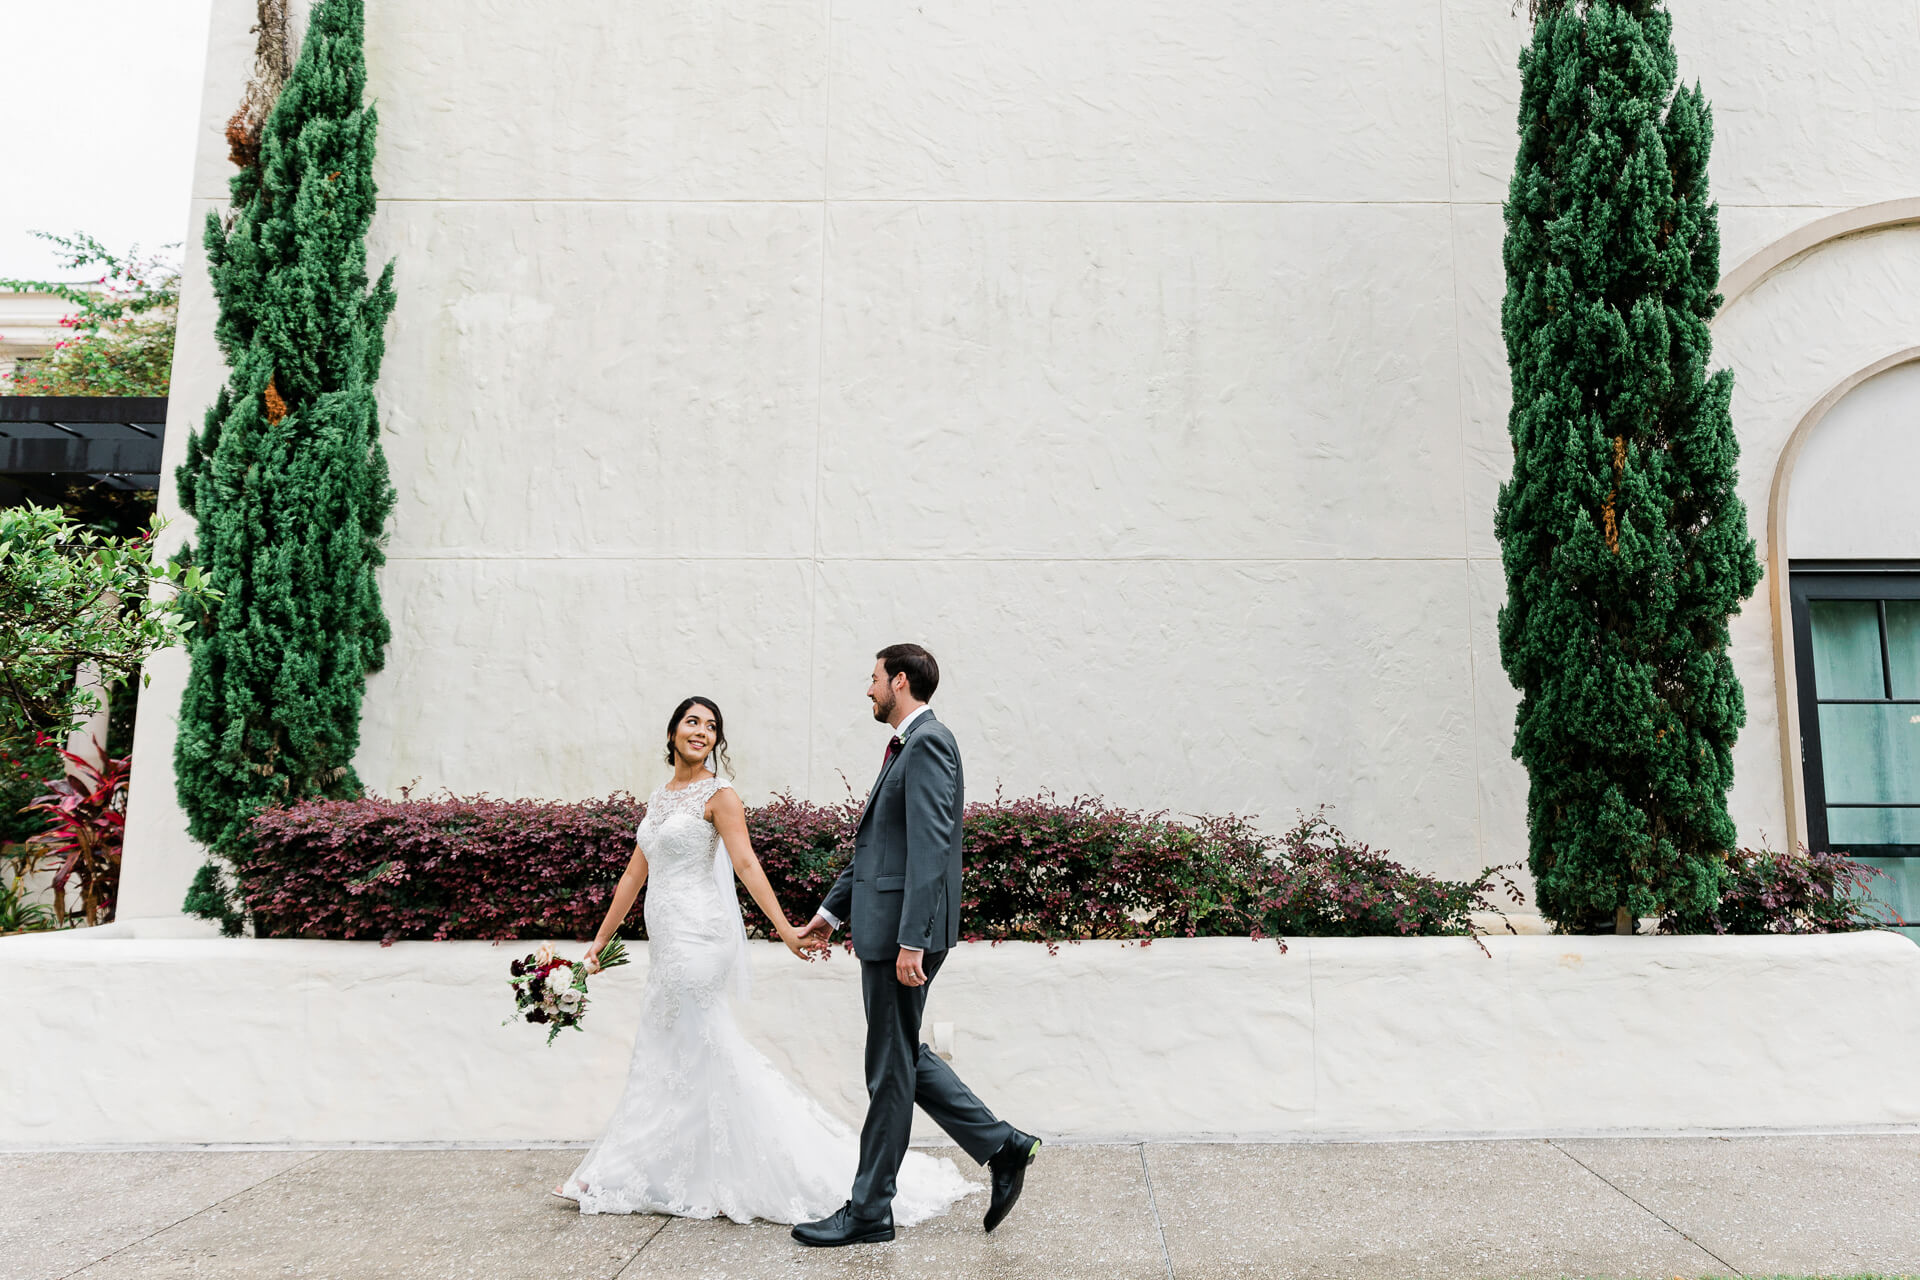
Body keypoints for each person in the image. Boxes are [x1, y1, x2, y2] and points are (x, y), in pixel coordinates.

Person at [552, 695, 977, 1225]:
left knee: (695, 1045)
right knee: (664, 1050)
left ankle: (630, 1168)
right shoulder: (659, 800)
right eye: (692, 722)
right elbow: (633, 877)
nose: (701, 732)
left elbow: (747, 864)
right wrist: (597, 944)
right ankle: (638, 1167)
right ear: (671, 734)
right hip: (666, 946)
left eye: (711, 726)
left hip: (700, 943)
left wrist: (786, 931)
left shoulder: (720, 795)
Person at [791, 644, 1041, 1247]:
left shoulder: (928, 741)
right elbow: (878, 850)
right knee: (900, 1056)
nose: (868, 690)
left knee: (889, 1069)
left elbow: (931, 849)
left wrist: (912, 942)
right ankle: (1003, 1145)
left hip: (904, 937)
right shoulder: (908, 744)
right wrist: (830, 913)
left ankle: (870, 1210)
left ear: (899, 681)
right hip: (887, 929)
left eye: (874, 679)